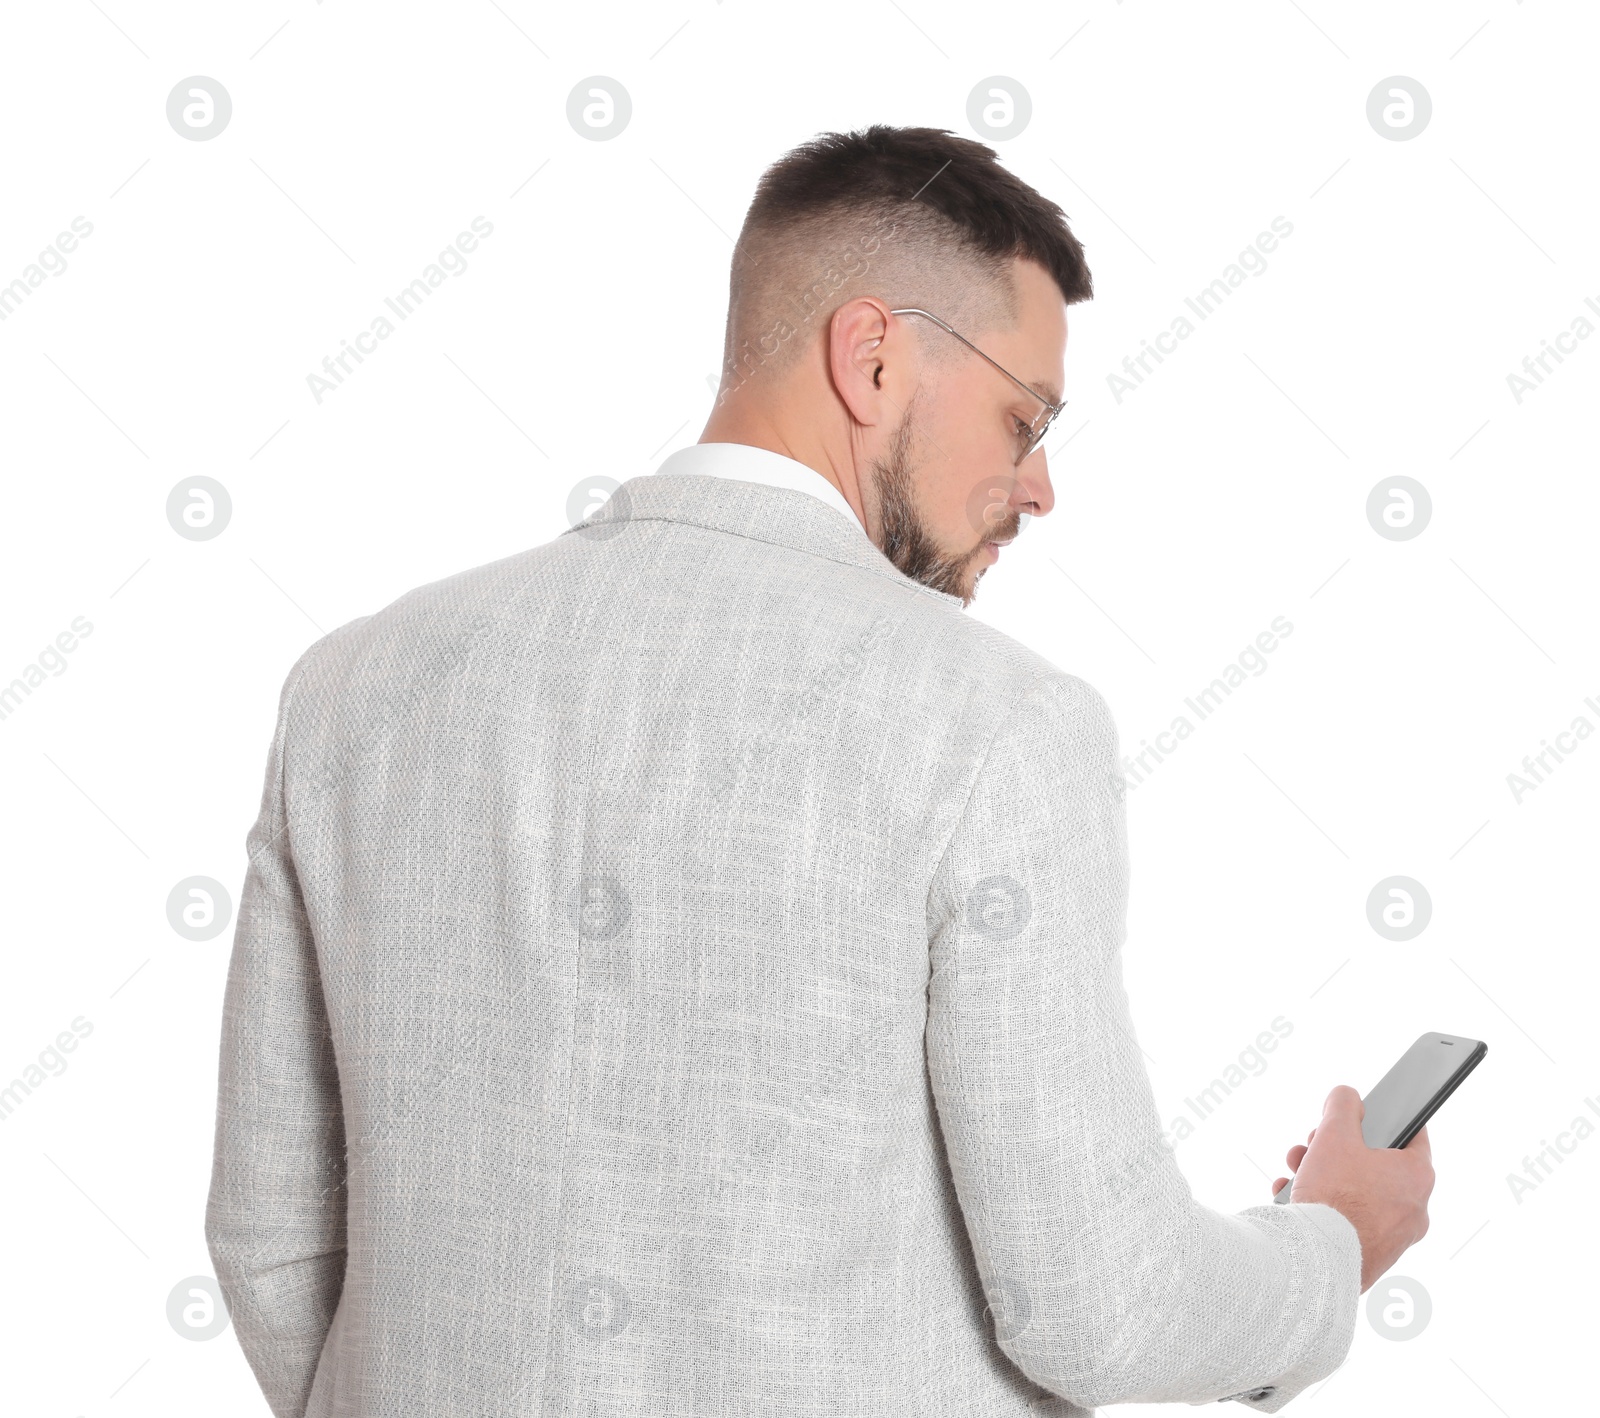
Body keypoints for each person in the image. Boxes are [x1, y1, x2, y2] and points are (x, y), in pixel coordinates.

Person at [205, 124, 1433, 1417]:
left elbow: (275, 1245)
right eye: (1024, 415)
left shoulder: (356, 688)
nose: (1041, 483)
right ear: (874, 355)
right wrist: (1332, 1246)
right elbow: (1098, 1300)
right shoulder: (996, 724)